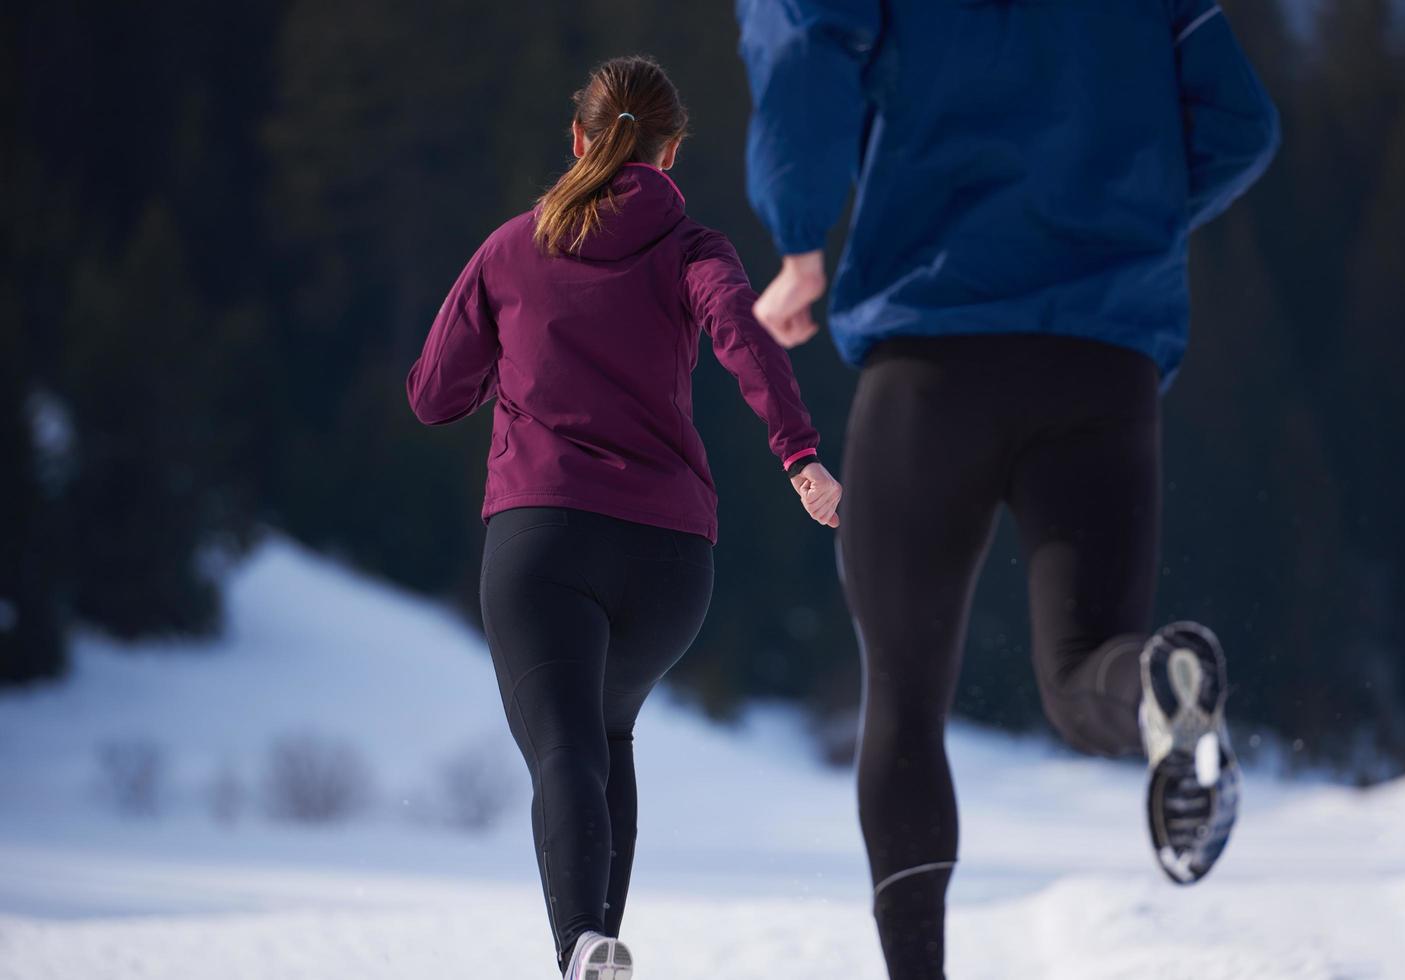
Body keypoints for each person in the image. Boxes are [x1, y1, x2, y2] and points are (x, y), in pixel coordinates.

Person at [737, 1, 1280, 977]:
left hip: (928, 360)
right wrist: (1116, 225)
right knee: (1085, 672)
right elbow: (1240, 126)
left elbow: (801, 35)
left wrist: (799, 238)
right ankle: (1159, 686)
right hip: (1099, 368)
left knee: (903, 696)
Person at [406, 56, 842, 980]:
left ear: (578, 139)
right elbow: (743, 336)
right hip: (670, 561)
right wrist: (799, 456)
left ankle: (579, 946)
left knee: (565, 744)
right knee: (606, 734)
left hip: (543, 539)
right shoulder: (695, 249)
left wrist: (514, 359)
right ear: (671, 153)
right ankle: (595, 951)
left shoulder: (510, 250)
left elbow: (432, 395)